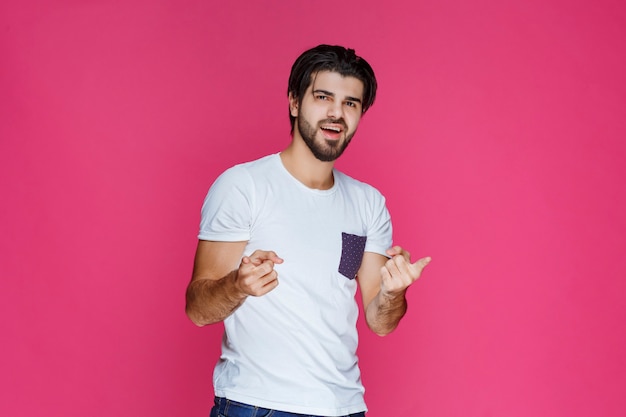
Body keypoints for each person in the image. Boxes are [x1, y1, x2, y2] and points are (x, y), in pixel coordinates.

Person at [185, 44, 431, 417]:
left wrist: (394, 291)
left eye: (351, 103)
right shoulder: (243, 186)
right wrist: (238, 284)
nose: (336, 113)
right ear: (294, 102)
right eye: (323, 97)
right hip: (259, 405)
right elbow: (198, 309)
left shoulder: (368, 203)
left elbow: (380, 321)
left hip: (345, 407)